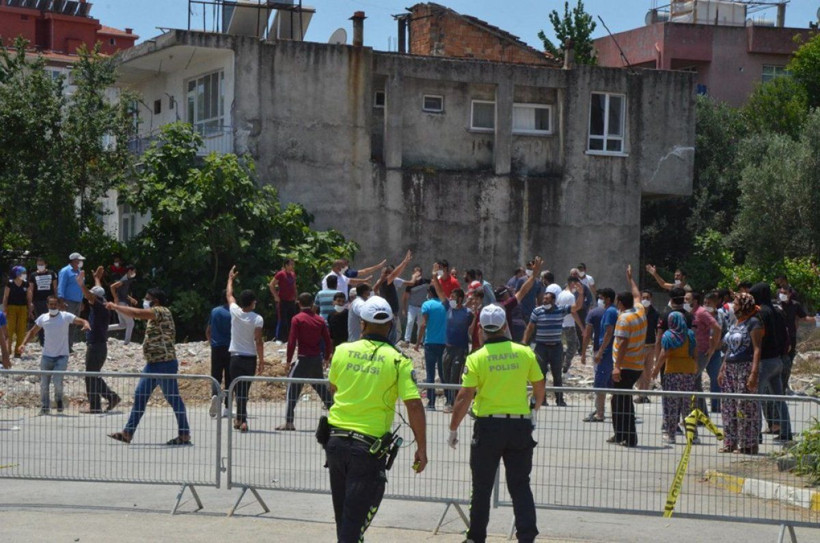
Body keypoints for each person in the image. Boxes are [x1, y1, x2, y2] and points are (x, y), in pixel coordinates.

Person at [325, 295, 427, 542]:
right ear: (390, 325)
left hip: (336, 442)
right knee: (354, 522)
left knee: (344, 519)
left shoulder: (342, 351)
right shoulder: (398, 359)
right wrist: (421, 448)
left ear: (362, 324)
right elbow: (414, 404)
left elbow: (333, 388)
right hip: (367, 447)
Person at [448, 304, 545, 543]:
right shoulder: (524, 352)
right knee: (520, 485)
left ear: (481, 329)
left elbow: (464, 396)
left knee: (481, 487)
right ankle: (526, 537)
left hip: (488, 427)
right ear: (505, 327)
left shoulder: (476, 357)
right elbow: (539, 385)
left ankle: (476, 537)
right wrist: (534, 408)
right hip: (519, 426)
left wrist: (453, 427)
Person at [106, 287, 191, 445]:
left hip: (164, 363)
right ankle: (127, 433)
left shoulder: (161, 311)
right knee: (140, 396)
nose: (145, 301)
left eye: (147, 298)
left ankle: (184, 434)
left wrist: (116, 307)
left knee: (173, 399)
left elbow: (136, 313)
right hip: (152, 364)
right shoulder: (155, 315)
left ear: (155, 301)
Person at [20, 296, 90, 414]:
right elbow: (32, 332)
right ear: (47, 305)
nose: (53, 306)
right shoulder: (43, 318)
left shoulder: (65, 316)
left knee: (57, 381)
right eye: (51, 304)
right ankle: (45, 407)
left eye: (55, 304)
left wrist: (86, 324)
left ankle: (59, 400)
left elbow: (81, 320)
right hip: (46, 356)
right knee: (44, 384)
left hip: (62, 356)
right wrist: (23, 344)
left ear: (59, 305)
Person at [279, 292, 334, 431]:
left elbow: (292, 341)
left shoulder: (297, 319)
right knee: (323, 391)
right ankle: (338, 417)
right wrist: (326, 357)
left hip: (303, 359)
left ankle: (289, 422)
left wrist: (288, 360)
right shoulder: (320, 320)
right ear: (312, 304)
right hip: (316, 359)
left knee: (292, 389)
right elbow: (328, 340)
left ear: (299, 303)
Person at [523, 286, 583, 407]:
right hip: (541, 347)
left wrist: (581, 294)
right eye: (544, 299)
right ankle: (542, 399)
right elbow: (530, 327)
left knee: (557, 375)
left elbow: (576, 307)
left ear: (553, 301)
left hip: (556, 348)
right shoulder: (537, 311)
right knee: (540, 375)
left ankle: (559, 400)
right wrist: (524, 342)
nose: (545, 301)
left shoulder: (560, 310)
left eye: (547, 300)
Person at [718, 292, 762, 455]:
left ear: (743, 305)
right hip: (730, 367)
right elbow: (730, 348)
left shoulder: (754, 323)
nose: (733, 306)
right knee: (728, 405)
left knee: (745, 406)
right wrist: (722, 368)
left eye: (736, 303)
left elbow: (757, 349)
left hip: (745, 367)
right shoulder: (735, 322)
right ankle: (730, 442)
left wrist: (754, 373)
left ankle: (748, 444)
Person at [608, 266, 647, 448]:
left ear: (620, 304)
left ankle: (630, 438)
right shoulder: (639, 310)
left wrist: (617, 367)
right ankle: (619, 434)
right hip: (637, 365)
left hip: (625, 366)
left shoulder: (624, 319)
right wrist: (630, 278)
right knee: (617, 399)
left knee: (623, 401)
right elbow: (637, 295)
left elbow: (622, 343)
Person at [749, 282, 792, 443]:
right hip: (777, 360)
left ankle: (756, 435)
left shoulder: (760, 313)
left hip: (764, 361)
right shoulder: (777, 311)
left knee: (756, 399)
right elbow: (785, 335)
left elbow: (758, 338)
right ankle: (786, 432)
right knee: (779, 399)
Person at [224, 266, 265, 433]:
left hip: (235, 356)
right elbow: (259, 341)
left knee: (237, 389)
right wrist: (262, 360)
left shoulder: (235, 312)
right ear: (252, 302)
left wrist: (230, 279)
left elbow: (229, 295)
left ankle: (240, 419)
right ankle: (242, 419)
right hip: (250, 357)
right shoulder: (257, 318)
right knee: (244, 390)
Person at [76, 267, 120, 414]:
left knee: (90, 376)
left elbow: (91, 295)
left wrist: (81, 284)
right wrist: (96, 279)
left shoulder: (99, 306)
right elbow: (98, 291)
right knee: (93, 375)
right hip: (99, 346)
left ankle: (96, 406)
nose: (89, 300)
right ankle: (111, 397)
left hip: (96, 346)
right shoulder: (103, 302)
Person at [651, 312, 697, 445]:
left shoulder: (668, 336)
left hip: (672, 372)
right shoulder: (690, 334)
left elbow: (664, 354)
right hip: (688, 371)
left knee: (672, 404)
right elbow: (695, 354)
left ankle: (671, 435)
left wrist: (655, 369)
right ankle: (692, 436)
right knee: (688, 405)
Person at [433, 282, 473, 414]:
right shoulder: (449, 309)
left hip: (460, 349)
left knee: (455, 377)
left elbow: (472, 328)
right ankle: (449, 399)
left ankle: (453, 402)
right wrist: (435, 278)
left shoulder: (468, 313)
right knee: (445, 375)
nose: (451, 299)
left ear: (460, 299)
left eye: (454, 297)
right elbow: (440, 293)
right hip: (448, 348)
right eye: (451, 297)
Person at [415, 272, 448, 411]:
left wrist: (418, 342)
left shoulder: (427, 305)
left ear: (429, 292)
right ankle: (449, 400)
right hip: (444, 343)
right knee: (443, 373)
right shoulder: (445, 305)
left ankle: (431, 403)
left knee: (430, 374)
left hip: (430, 343)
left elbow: (423, 324)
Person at [686, 290, 722, 415]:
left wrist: (713, 348)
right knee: (695, 384)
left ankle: (696, 414)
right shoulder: (690, 313)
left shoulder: (702, 312)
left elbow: (717, 328)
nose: (685, 301)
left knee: (691, 380)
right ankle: (702, 415)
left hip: (702, 352)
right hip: (691, 352)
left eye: (687, 299)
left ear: (695, 301)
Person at [584, 288, 617, 423]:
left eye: (602, 298)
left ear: (608, 299)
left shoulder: (609, 312)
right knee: (610, 384)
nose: (600, 300)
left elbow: (608, 332)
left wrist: (600, 352)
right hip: (610, 352)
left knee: (600, 383)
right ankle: (613, 411)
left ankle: (600, 414)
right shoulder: (612, 311)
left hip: (606, 353)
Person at [494, 256, 543, 343]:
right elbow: (521, 292)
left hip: (531, 312)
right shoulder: (507, 305)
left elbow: (537, 297)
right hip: (522, 314)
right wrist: (534, 274)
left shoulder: (493, 307)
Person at [375, 250, 412, 344]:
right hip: (390, 314)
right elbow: (395, 274)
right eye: (389, 273)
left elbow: (396, 274)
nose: (391, 275)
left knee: (394, 335)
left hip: (390, 313)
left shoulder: (381, 282)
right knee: (392, 337)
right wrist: (404, 262)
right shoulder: (385, 281)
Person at [206, 290, 232, 418]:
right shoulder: (234, 312)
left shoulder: (214, 311)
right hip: (230, 348)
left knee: (216, 376)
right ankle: (227, 407)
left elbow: (208, 331)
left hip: (216, 347)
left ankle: (215, 396)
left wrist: (212, 342)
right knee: (229, 378)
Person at [634, 290, 659, 404]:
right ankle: (640, 394)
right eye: (643, 297)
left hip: (651, 346)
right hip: (639, 346)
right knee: (640, 372)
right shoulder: (637, 312)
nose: (645, 300)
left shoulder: (655, 313)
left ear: (651, 299)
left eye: (647, 298)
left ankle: (644, 395)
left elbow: (657, 331)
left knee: (648, 372)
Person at [57, 252, 85, 351]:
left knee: (74, 324)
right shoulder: (65, 271)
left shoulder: (79, 271)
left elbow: (81, 287)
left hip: (78, 301)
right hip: (68, 301)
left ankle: (69, 345)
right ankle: (62, 346)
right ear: (73, 261)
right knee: (65, 324)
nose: (81, 262)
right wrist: (61, 301)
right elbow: (61, 286)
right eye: (79, 260)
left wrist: (82, 301)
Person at [557, 277, 584, 373]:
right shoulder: (571, 296)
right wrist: (581, 327)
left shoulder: (561, 294)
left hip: (561, 323)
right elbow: (574, 311)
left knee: (566, 345)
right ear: (572, 283)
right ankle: (565, 365)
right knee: (574, 346)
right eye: (577, 285)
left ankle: (561, 360)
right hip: (569, 324)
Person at [28, 257, 57, 346]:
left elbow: (55, 287)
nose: (40, 266)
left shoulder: (52, 273)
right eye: (38, 264)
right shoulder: (33, 275)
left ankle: (52, 340)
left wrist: (57, 299)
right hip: (38, 301)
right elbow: (31, 289)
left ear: (45, 264)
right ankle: (42, 342)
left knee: (51, 320)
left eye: (42, 264)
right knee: (40, 321)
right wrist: (30, 302)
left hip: (50, 301)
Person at [3, 265, 30, 357]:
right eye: (23, 273)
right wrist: (4, 308)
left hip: (23, 307)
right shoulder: (10, 283)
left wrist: (30, 308)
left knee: (21, 330)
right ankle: (8, 350)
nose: (25, 274)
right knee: (10, 329)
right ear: (17, 273)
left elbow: (28, 296)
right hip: (11, 307)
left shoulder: (26, 283)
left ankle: (18, 352)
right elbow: (6, 296)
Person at [269, 258, 298, 344]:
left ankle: (290, 337)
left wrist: (296, 297)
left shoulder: (293, 274)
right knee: (282, 319)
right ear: (286, 265)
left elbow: (294, 286)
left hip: (291, 300)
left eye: (293, 264)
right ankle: (279, 338)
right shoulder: (281, 274)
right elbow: (271, 285)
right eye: (291, 264)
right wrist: (276, 296)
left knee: (291, 319)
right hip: (282, 300)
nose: (292, 266)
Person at [109, 265, 139, 344]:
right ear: (129, 271)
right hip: (121, 304)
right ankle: (127, 342)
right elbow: (112, 287)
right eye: (134, 271)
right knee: (131, 323)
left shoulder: (127, 280)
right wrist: (115, 298)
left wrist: (131, 299)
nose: (135, 273)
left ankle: (103, 328)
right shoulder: (124, 280)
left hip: (120, 304)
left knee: (122, 325)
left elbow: (123, 293)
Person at [402, 266, 429, 345]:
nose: (417, 273)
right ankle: (407, 340)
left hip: (422, 307)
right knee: (410, 322)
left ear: (421, 273)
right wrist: (404, 309)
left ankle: (419, 342)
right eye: (415, 271)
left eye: (419, 271)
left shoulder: (425, 281)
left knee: (420, 324)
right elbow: (405, 298)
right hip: (412, 306)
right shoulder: (410, 285)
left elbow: (435, 282)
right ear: (413, 273)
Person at [514, 260, 544, 328]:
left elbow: (539, 299)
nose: (529, 270)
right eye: (528, 268)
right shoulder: (521, 280)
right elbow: (517, 295)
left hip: (532, 312)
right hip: (521, 312)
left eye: (531, 269)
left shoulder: (538, 282)